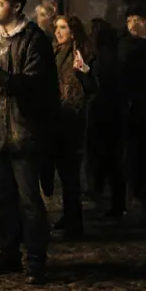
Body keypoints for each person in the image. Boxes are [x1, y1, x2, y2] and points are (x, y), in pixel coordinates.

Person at [0, 0, 56, 285]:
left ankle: (35, 260)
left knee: (28, 201)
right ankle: (8, 253)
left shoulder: (34, 40)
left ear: (16, 7)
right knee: (2, 199)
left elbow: (35, 86)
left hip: (24, 134)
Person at [117, 8, 146, 207]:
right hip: (130, 106)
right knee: (132, 151)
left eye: (137, 20)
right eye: (129, 20)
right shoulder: (123, 45)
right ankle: (133, 190)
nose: (133, 24)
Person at [50, 15, 89, 237]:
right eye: (56, 27)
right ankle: (69, 214)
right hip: (60, 116)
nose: (58, 31)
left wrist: (83, 71)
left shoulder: (78, 51)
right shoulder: (58, 51)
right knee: (64, 173)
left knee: (71, 172)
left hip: (72, 118)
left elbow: (88, 83)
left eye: (62, 27)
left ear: (73, 31)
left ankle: (75, 222)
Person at [83, 19, 125, 215]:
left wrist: (84, 73)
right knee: (113, 159)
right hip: (114, 112)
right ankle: (115, 201)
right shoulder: (113, 55)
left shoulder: (102, 57)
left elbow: (98, 85)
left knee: (107, 157)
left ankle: (112, 200)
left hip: (103, 112)